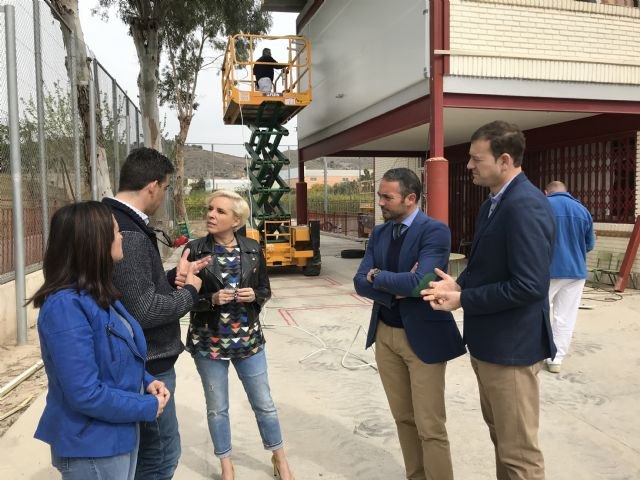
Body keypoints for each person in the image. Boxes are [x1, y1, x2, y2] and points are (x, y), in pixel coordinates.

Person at [422, 121, 557, 480]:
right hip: (491, 344)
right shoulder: (494, 204)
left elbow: (530, 286)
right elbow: (486, 265)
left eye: (475, 159)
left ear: (505, 160)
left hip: (512, 348)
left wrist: (465, 298)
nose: (469, 166)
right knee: (502, 440)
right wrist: (458, 284)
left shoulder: (526, 206)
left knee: (519, 455)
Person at [30, 201, 169, 480]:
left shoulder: (100, 296)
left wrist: (146, 379)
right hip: (92, 446)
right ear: (94, 241)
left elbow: (116, 355)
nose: (121, 237)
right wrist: (146, 406)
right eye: (116, 231)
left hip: (119, 435)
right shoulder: (65, 307)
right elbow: (85, 392)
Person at [103, 148, 209, 480]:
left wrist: (169, 279)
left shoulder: (114, 220)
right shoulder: (130, 234)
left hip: (137, 362)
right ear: (152, 186)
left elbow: (132, 292)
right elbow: (143, 310)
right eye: (165, 188)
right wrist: (189, 290)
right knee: (160, 457)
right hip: (150, 366)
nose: (164, 196)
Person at [353, 168, 465, 480]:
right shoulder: (379, 233)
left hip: (423, 339)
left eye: (387, 197)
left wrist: (380, 276)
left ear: (411, 198)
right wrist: (392, 285)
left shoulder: (435, 231)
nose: (380, 203)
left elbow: (420, 284)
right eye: (380, 196)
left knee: (430, 425)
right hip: (386, 335)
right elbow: (360, 282)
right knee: (403, 418)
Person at [184, 190, 295, 480]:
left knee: (265, 404)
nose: (210, 214)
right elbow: (180, 297)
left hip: (248, 341)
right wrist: (211, 299)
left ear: (236, 220)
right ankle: (226, 466)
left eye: (219, 211)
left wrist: (253, 295)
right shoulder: (194, 250)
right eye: (210, 209)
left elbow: (265, 290)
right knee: (217, 408)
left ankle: (280, 460)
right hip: (209, 342)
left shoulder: (252, 249)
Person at [544, 180, 595, 374]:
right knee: (565, 316)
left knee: (537, 312)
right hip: (576, 272)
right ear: (567, 192)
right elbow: (589, 245)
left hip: (548, 271)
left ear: (546, 191)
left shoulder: (543, 206)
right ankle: (556, 359)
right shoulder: (583, 211)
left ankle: (533, 352)